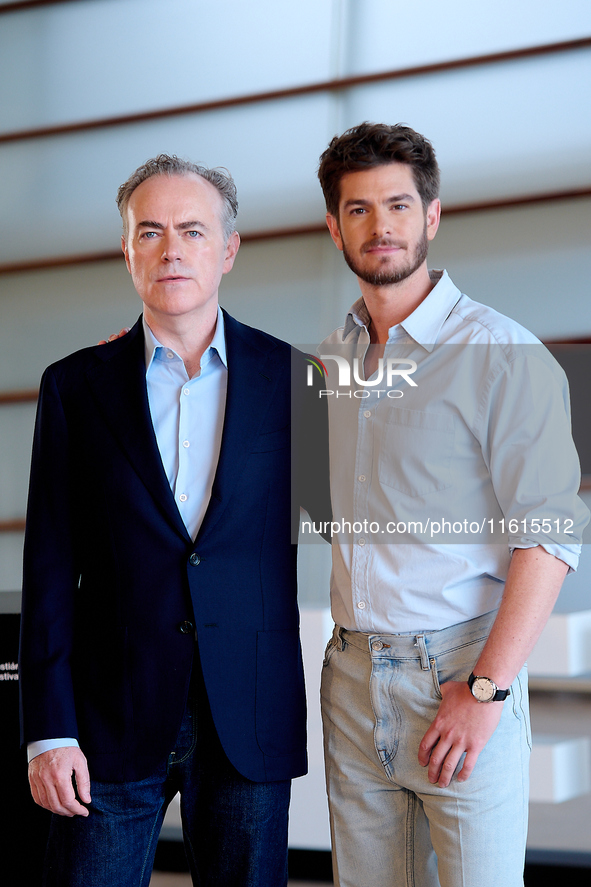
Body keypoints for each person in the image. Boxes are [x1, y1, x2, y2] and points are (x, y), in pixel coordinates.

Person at [19, 155, 329, 887]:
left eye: (191, 230)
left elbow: (358, 529)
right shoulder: (74, 386)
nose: (171, 249)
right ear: (127, 249)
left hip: (247, 712)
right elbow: (50, 569)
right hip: (105, 718)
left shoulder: (298, 380)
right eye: (149, 232)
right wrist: (48, 730)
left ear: (227, 249)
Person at [314, 123, 589, 887]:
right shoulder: (330, 359)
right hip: (349, 673)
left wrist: (487, 689)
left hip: (459, 673)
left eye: (398, 205)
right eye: (359, 209)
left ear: (431, 216)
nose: (381, 226)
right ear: (333, 226)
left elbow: (549, 534)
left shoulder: (501, 354)